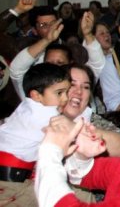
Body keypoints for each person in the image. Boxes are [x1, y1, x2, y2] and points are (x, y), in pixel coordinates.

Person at [0, 64, 69, 202]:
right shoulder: (49, 115)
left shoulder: (26, 106)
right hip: (10, 183)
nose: (65, 98)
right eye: (59, 93)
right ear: (36, 95)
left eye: (67, 92)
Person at [10, 11, 105, 99]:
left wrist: (88, 35)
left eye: (60, 63)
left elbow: (97, 64)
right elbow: (16, 70)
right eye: (49, 63)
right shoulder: (35, 90)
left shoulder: (80, 85)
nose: (54, 67)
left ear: (70, 64)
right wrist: (47, 40)